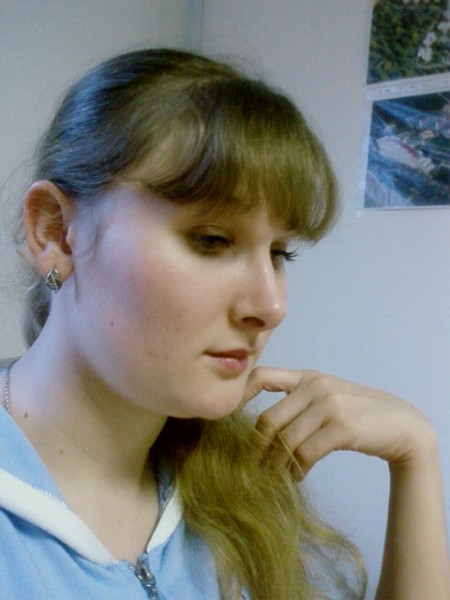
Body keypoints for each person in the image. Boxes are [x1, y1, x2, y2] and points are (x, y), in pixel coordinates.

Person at [0, 48, 448, 600]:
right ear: (55, 232)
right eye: (211, 241)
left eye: (280, 253)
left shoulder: (240, 487)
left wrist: (416, 456)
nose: (271, 306)